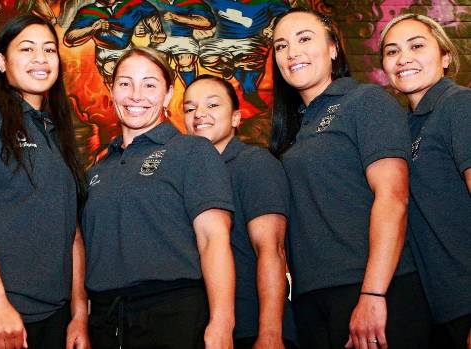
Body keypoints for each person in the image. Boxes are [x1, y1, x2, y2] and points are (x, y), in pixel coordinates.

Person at [269, 8, 431, 349]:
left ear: (333, 49)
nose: (292, 52)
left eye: (304, 39)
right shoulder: (294, 129)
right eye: (281, 46)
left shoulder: (365, 100)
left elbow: (393, 195)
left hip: (373, 290)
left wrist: (373, 293)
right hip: (311, 299)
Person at [0, 14, 88, 349]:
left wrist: (78, 315)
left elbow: (73, 233)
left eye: (49, 50)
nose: (40, 58)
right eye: (27, 49)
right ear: (1, 61)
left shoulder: (56, 134)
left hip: (53, 319)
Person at [82, 47, 235, 349]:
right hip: (105, 319)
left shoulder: (192, 151)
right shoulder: (97, 170)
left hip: (173, 314)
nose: (136, 95)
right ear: (111, 92)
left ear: (167, 96)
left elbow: (213, 239)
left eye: (150, 85)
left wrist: (222, 322)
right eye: (125, 83)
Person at [183, 74, 299, 349]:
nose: (199, 114)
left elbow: (272, 249)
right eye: (190, 108)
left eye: (212, 105)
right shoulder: (188, 176)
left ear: (236, 118)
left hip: (251, 327)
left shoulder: (253, 164)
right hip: (205, 329)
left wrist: (270, 333)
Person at [380, 13, 471, 349]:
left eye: (416, 46)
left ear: (445, 57)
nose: (403, 58)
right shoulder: (405, 127)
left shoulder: (459, 105)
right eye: (391, 51)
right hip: (435, 307)